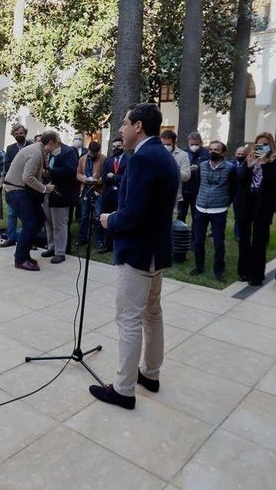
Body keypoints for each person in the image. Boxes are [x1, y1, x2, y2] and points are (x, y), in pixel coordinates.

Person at [92, 103, 179, 410]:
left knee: (129, 319)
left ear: (138, 126)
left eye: (124, 123)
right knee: (152, 313)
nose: (121, 129)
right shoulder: (163, 155)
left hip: (140, 251)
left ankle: (124, 389)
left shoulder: (143, 158)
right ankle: (150, 374)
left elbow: (136, 213)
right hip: (155, 250)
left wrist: (108, 220)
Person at [4, 132, 59, 270]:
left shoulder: (39, 150)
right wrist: (45, 188)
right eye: (57, 142)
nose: (59, 145)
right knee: (31, 223)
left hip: (23, 191)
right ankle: (20, 260)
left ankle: (24, 254)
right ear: (51, 142)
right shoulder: (35, 153)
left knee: (39, 219)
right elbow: (27, 177)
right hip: (17, 191)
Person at [236, 132, 276, 285]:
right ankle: (243, 271)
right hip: (246, 201)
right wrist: (249, 166)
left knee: (259, 240)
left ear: (271, 145)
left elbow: (275, 184)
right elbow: (240, 178)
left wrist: (264, 165)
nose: (262, 147)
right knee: (244, 239)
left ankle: (256, 275)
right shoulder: (249, 158)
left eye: (265, 144)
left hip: (263, 204)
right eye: (259, 144)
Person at [190, 141, 237, 281]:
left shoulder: (230, 168)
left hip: (219, 209)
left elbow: (233, 189)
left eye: (216, 150)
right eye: (210, 149)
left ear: (223, 153)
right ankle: (199, 267)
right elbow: (198, 184)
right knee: (198, 240)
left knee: (218, 242)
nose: (212, 151)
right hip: (200, 208)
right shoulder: (202, 166)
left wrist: (225, 203)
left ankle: (219, 270)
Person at [41, 135, 78, 263]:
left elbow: (70, 170)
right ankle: (51, 247)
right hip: (47, 191)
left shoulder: (68, 152)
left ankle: (60, 252)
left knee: (60, 224)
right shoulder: (50, 153)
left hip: (61, 193)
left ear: (52, 142)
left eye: (46, 145)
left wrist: (50, 172)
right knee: (48, 221)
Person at [1, 124, 32, 248]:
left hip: (28, 185)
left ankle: (28, 240)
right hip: (14, 185)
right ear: (13, 135)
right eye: (16, 134)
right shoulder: (10, 148)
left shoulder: (31, 145)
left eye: (21, 133)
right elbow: (7, 165)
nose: (19, 135)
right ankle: (11, 238)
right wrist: (19, 163)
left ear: (25, 133)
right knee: (11, 213)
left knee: (27, 214)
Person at [97, 138, 127, 254]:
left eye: (118, 146)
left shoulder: (129, 160)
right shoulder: (108, 160)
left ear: (123, 146)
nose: (116, 149)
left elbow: (126, 178)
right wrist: (110, 178)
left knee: (120, 221)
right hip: (108, 195)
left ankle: (119, 245)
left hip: (121, 195)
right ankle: (108, 245)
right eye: (114, 147)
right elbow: (104, 177)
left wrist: (114, 177)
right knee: (108, 220)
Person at [76, 141, 105, 245]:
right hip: (85, 190)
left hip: (98, 191)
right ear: (88, 150)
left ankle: (99, 240)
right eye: (92, 153)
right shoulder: (82, 159)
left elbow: (105, 173)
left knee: (98, 216)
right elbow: (78, 173)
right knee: (83, 216)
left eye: (96, 153)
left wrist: (100, 180)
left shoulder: (103, 158)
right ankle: (83, 238)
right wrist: (83, 178)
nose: (93, 155)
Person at [160, 130, 191, 217]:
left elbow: (187, 176)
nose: (165, 147)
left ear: (174, 142)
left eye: (168, 144)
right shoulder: (156, 153)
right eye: (163, 144)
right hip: (156, 194)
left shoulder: (182, 155)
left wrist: (172, 170)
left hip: (173, 196)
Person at [178, 132, 207, 224]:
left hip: (199, 188)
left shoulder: (206, 154)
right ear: (188, 143)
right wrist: (187, 169)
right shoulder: (183, 153)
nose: (194, 146)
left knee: (196, 214)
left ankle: (195, 235)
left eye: (196, 144)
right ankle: (179, 233)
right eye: (192, 144)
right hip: (184, 188)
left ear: (201, 142)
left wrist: (199, 169)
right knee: (181, 213)